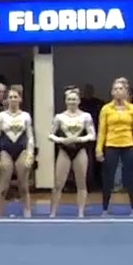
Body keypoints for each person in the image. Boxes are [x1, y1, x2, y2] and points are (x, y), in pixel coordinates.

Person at [96, 78, 133, 216]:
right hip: (111, 145)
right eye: (115, 89)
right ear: (112, 92)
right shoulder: (106, 109)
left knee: (130, 178)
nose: (118, 91)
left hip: (129, 145)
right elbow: (102, 131)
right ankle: (105, 209)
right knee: (108, 178)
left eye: (121, 89)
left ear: (126, 92)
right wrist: (99, 149)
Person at [47, 87, 95, 217]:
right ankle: (53, 212)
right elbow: (50, 135)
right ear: (65, 101)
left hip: (80, 149)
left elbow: (92, 135)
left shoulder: (86, 116)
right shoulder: (59, 117)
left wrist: (78, 139)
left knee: (81, 182)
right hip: (64, 149)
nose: (72, 101)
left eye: (74, 99)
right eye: (69, 99)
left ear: (79, 100)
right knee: (58, 183)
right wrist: (62, 140)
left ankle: (80, 212)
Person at [0, 85, 34, 218]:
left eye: (15, 97)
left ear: (20, 99)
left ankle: (27, 212)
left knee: (23, 186)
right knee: (3, 186)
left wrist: (30, 155)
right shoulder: (1, 116)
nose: (13, 99)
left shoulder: (26, 116)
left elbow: (30, 137)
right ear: (6, 100)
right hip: (5, 150)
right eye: (10, 97)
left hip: (21, 150)